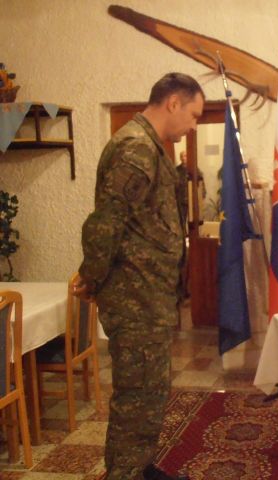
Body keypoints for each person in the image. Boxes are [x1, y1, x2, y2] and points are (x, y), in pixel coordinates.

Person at [74, 73, 204, 480]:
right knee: (136, 398)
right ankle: (126, 473)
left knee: (149, 393)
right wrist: (91, 276)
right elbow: (106, 223)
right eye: (194, 115)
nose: (194, 125)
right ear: (173, 103)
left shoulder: (151, 146)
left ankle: (141, 467)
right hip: (135, 299)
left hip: (148, 297)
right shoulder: (136, 148)